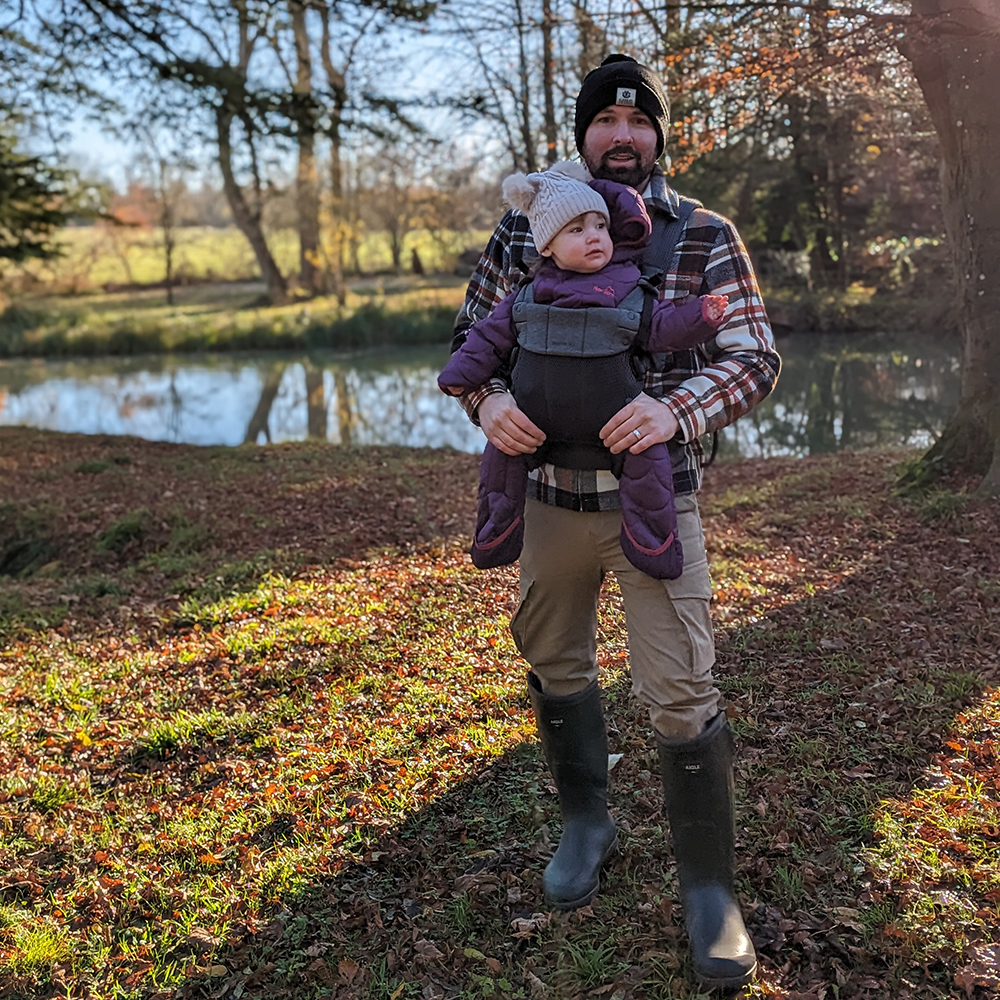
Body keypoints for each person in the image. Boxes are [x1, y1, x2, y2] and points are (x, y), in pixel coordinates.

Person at [452, 54, 780, 989]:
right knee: (553, 659)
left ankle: (710, 891)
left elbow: (753, 354)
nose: (624, 137)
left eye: (641, 124)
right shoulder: (526, 230)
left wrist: (678, 409)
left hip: (654, 499)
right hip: (550, 498)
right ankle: (587, 821)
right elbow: (469, 347)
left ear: (658, 137)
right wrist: (485, 407)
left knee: (680, 686)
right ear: (585, 135)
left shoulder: (703, 231)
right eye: (608, 123)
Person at [439, 161, 728, 579]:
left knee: (647, 464)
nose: (593, 236)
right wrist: (461, 380)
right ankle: (495, 533)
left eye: (599, 226)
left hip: (619, 425)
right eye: (576, 230)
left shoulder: (630, 286)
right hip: (535, 429)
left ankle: (654, 543)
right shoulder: (527, 293)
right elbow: (485, 337)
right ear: (546, 246)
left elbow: (664, 326)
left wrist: (703, 314)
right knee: (502, 461)